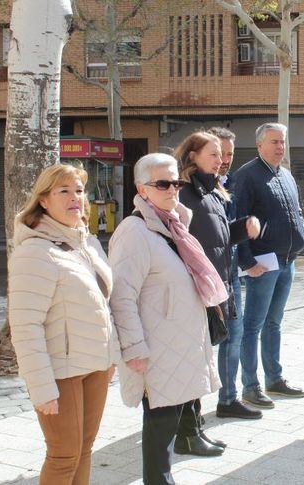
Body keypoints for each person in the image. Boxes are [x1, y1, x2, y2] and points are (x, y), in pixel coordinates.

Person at [109, 153, 224, 484]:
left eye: (176, 182)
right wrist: (134, 347)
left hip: (179, 343)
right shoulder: (135, 231)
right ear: (141, 190)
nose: (172, 189)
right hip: (155, 348)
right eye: (162, 183)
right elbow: (122, 296)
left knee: (170, 423)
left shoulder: (175, 224)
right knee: (159, 427)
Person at [8, 164, 119, 484]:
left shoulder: (87, 243)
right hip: (60, 372)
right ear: (43, 200)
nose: (75, 198)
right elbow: (26, 327)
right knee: (63, 455)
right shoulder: (35, 251)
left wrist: (110, 355)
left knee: (84, 450)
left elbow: (103, 304)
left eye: (79, 191)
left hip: (94, 366)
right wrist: (42, 387)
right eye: (63, 191)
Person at [175, 131, 263, 436]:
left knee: (231, 340)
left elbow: (219, 238)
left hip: (223, 283)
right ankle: (188, 426)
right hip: (200, 289)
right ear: (192, 156)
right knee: (198, 355)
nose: (221, 161)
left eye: (224, 154)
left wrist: (242, 228)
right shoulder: (183, 194)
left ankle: (226, 401)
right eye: (214, 154)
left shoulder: (214, 192)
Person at [232, 122, 304, 408]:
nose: (280, 147)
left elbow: (296, 211)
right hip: (263, 264)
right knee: (253, 325)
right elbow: (237, 224)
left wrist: (301, 234)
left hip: (287, 262)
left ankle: (274, 379)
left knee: (274, 323)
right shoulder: (247, 176)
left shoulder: (285, 175)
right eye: (274, 142)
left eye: (283, 142)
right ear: (260, 145)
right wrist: (248, 262)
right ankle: (250, 386)